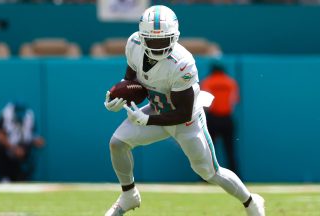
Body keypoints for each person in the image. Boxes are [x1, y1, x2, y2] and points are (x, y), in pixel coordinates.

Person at [103, 5, 265, 216]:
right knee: (117, 143)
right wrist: (117, 97)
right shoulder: (134, 44)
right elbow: (131, 80)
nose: (158, 46)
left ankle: (252, 202)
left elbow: (183, 113)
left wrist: (146, 120)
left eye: (163, 40)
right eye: (152, 40)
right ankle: (128, 195)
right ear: (142, 37)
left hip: (186, 123)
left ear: (175, 37)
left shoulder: (182, 63)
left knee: (210, 172)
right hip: (154, 110)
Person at [0, 102, 44, 182]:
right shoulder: (5, 115)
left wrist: (36, 140)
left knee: (28, 154)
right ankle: (5, 177)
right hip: (5, 147)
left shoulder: (29, 117)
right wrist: (13, 148)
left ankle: (20, 177)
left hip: (19, 147)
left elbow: (31, 135)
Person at [200, 63, 240, 175]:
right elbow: (234, 100)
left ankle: (207, 176)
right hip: (227, 118)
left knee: (209, 150)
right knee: (230, 150)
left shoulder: (208, 81)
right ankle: (235, 176)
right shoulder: (231, 82)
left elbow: (206, 104)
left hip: (212, 118)